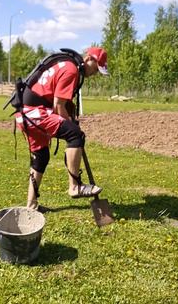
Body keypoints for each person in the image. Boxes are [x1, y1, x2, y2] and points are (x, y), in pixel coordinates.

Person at [15, 47, 109, 211]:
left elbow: (57, 97)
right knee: (75, 135)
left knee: (41, 156)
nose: (94, 73)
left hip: (25, 113)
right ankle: (75, 186)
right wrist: (71, 124)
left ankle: (31, 206)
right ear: (88, 59)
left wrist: (70, 112)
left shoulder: (66, 64)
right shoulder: (71, 70)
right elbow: (58, 105)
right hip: (35, 113)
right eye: (95, 68)